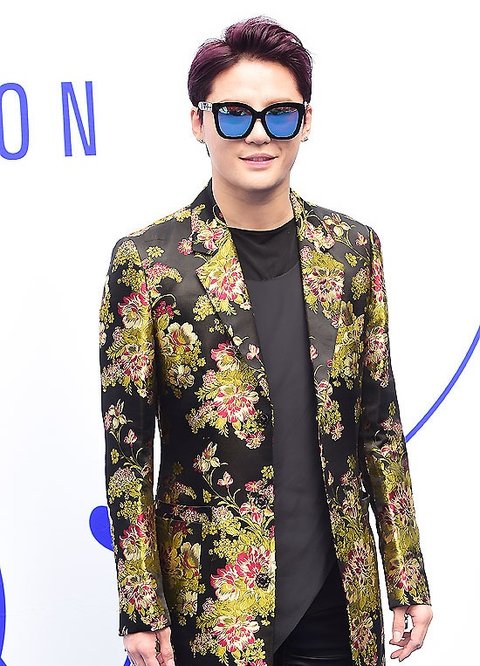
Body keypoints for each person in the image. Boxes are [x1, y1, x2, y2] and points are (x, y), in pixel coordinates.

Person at [98, 15, 433, 666]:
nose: (258, 134)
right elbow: (128, 450)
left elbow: (379, 425)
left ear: (305, 123)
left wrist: (407, 575)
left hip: (337, 598)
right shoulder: (149, 262)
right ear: (198, 123)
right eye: (233, 115)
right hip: (211, 605)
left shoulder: (353, 251)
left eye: (280, 115)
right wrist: (140, 605)